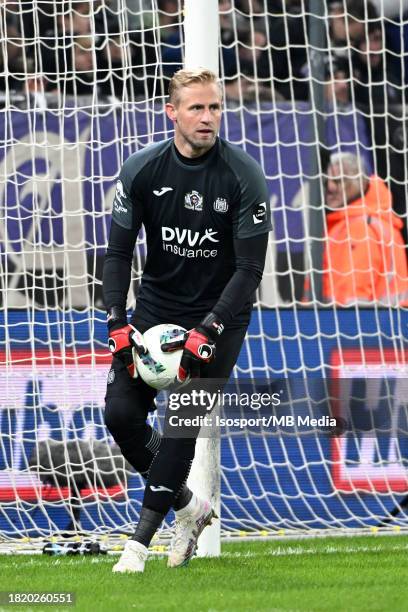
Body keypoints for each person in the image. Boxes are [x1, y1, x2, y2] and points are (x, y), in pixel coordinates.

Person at [102, 68, 271, 573]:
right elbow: (117, 253)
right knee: (121, 416)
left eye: (214, 107)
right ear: (171, 112)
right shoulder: (142, 170)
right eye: (196, 108)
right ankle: (191, 507)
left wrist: (209, 329)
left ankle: (138, 547)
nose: (208, 117)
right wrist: (116, 318)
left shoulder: (243, 175)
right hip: (155, 309)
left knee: (181, 427)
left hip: (219, 315)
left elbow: (249, 269)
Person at [305, 152, 408, 305]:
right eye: (327, 181)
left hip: (361, 326)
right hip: (386, 324)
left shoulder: (360, 228)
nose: (331, 187)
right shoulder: (370, 220)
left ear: (360, 182)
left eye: (340, 181)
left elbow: (353, 299)